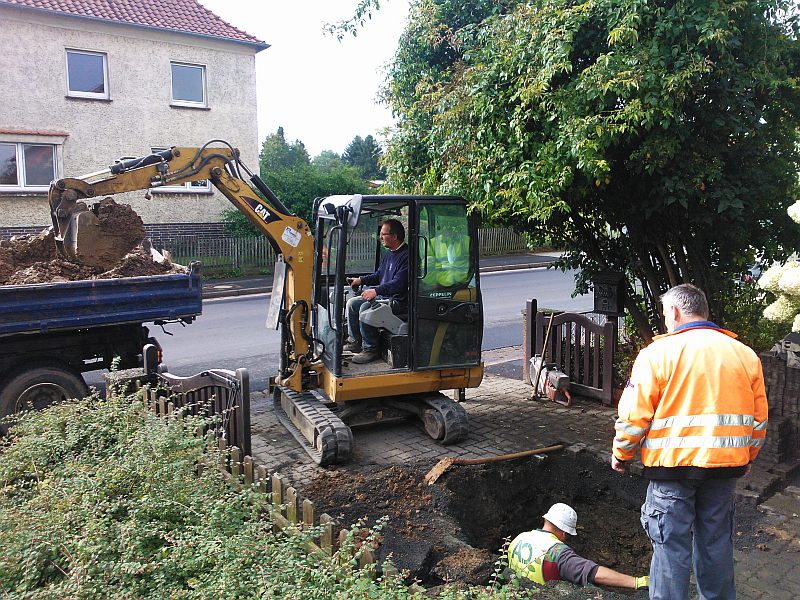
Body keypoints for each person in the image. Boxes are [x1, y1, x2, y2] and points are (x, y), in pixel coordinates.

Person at [611, 283, 768, 600]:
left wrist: (622, 454)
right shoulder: (745, 356)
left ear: (675, 311)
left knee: (670, 548)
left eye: (664, 313)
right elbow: (759, 419)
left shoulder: (656, 355)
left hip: (672, 472)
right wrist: (747, 457)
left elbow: (633, 417)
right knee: (716, 544)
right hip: (724, 471)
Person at [507, 503, 649, 590]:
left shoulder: (518, 539)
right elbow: (593, 572)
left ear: (545, 519)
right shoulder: (557, 552)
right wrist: (636, 582)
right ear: (564, 533)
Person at [344, 219, 409, 364]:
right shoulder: (389, 254)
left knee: (365, 307)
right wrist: (361, 280)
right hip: (385, 297)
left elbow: (399, 284)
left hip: (399, 301)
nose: (380, 237)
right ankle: (355, 341)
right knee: (352, 303)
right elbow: (379, 275)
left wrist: (376, 291)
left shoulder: (407, 256)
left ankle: (371, 349)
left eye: (383, 234)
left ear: (394, 236)